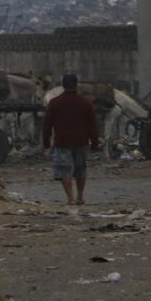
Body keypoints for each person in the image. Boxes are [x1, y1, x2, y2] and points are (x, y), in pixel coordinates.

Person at [43, 73, 100, 205]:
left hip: (62, 142)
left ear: (63, 85)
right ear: (76, 84)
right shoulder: (85, 103)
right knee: (80, 169)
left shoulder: (54, 103)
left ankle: (70, 198)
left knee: (64, 170)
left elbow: (46, 126)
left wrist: (46, 142)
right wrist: (95, 143)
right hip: (81, 141)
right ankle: (80, 196)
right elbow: (92, 125)